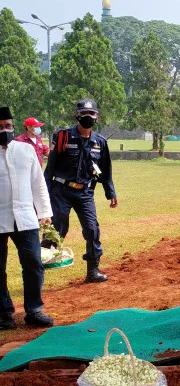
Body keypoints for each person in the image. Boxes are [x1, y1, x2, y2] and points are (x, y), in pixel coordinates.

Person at [44, 98, 117, 283]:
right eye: (84, 114)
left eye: (91, 114)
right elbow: (50, 168)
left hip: (85, 193)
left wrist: (111, 193)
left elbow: (106, 170)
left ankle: (93, 271)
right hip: (61, 190)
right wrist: (43, 196)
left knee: (92, 230)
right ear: (77, 116)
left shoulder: (100, 142)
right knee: (57, 228)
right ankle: (41, 268)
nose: (87, 117)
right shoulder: (63, 136)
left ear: (97, 117)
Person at [0, 107, 54, 329]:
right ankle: (3, 313)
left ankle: (34, 310)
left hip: (25, 216)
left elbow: (38, 183)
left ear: (14, 127)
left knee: (33, 262)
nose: (5, 130)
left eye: (8, 126)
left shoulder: (26, 150)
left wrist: (45, 213)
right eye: (0, 127)